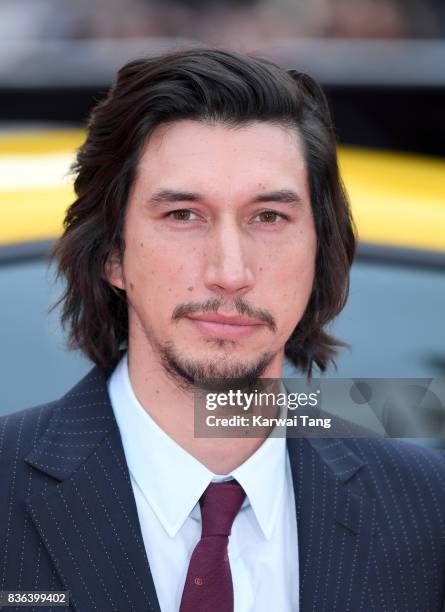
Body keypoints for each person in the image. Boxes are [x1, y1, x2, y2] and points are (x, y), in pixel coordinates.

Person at [1, 48, 444, 612]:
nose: (230, 273)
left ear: (320, 252)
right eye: (183, 215)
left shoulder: (428, 513)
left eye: (269, 217)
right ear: (112, 253)